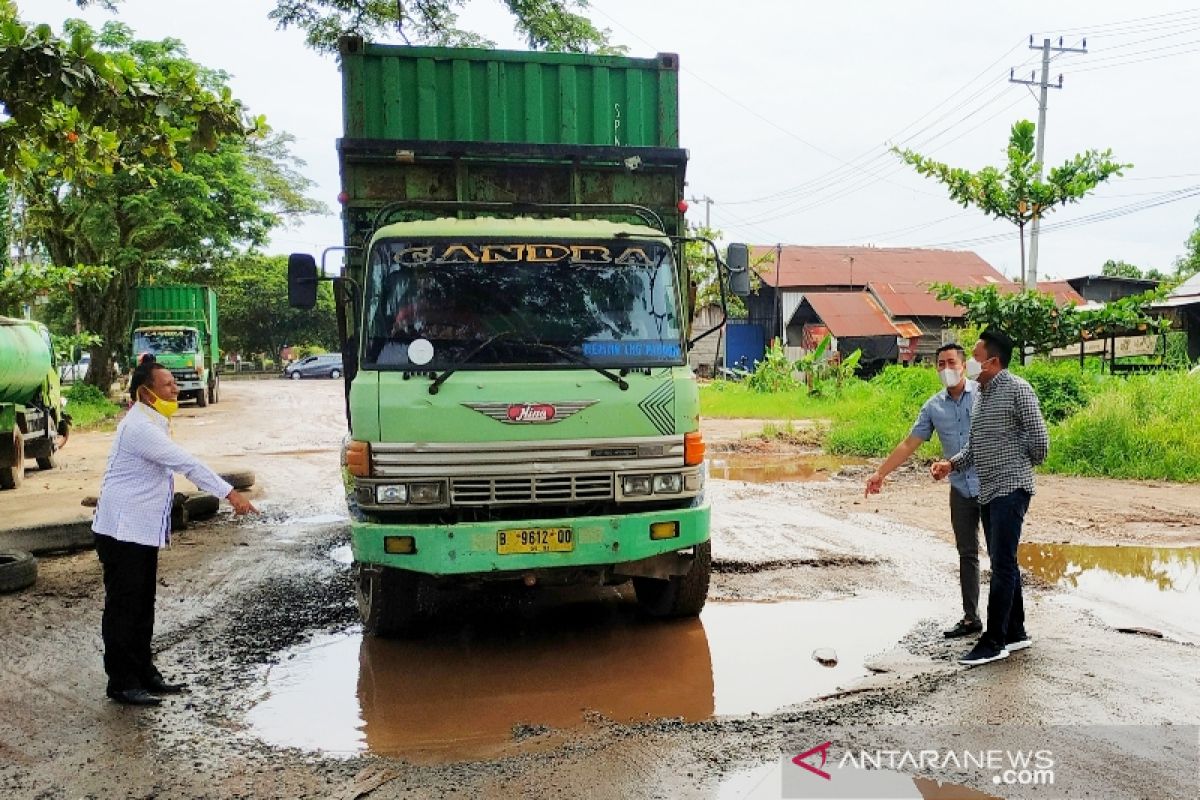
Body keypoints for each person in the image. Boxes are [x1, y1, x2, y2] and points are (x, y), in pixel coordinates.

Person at [93, 358, 258, 705]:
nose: (175, 389)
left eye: (174, 383)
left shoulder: (153, 420)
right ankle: (121, 682)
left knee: (143, 604)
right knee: (125, 607)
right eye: (168, 385)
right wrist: (229, 493)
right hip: (122, 528)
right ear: (147, 392)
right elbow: (186, 463)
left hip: (139, 528)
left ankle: (144, 674)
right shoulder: (140, 427)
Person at [931, 330, 1049, 667]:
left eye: (975, 355)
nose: (970, 361)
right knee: (1004, 561)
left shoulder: (1018, 390)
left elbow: (1041, 443)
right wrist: (951, 463)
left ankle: (994, 640)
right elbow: (976, 445)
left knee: (1002, 564)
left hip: (1011, 488)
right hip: (989, 489)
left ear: (992, 361)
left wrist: (1015, 462)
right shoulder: (982, 392)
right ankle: (1016, 631)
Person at [865, 343, 984, 639]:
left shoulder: (984, 395)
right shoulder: (934, 406)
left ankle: (1008, 623)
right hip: (960, 488)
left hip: (990, 484)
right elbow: (910, 442)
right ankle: (971, 618)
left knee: (1001, 553)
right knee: (967, 553)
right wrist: (880, 473)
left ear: (964, 365)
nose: (947, 369)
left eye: (952, 363)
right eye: (941, 364)